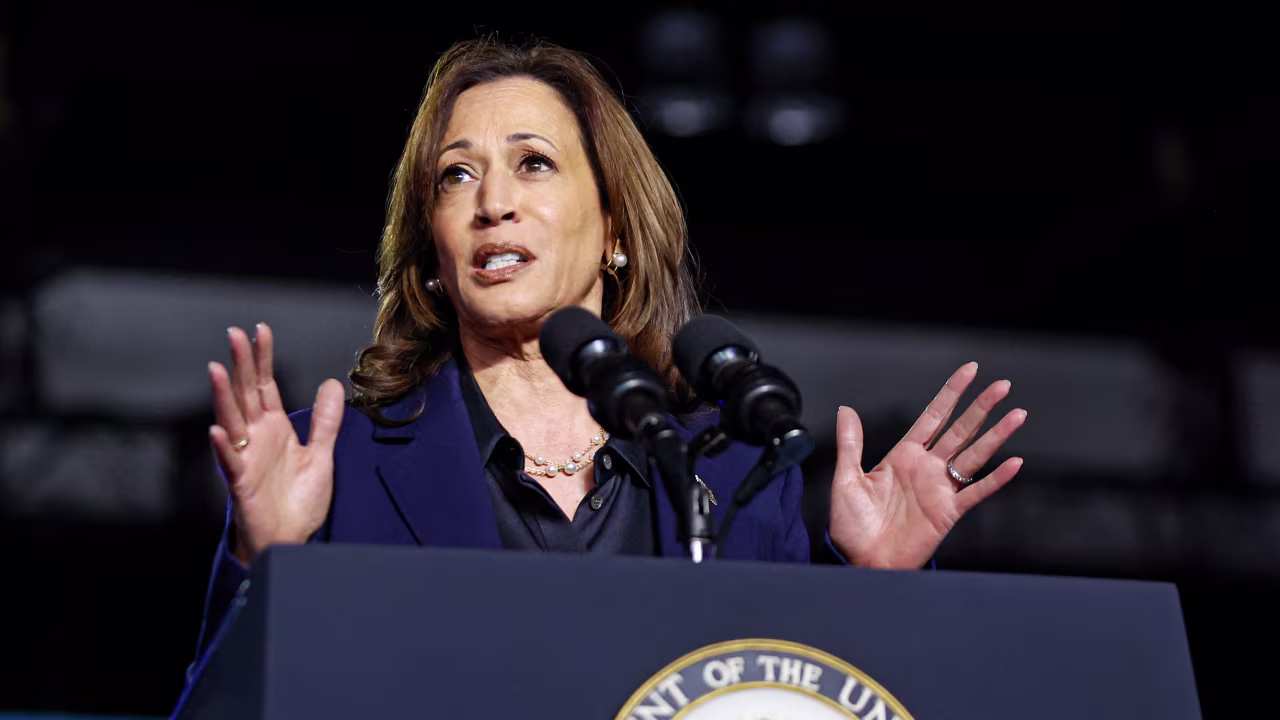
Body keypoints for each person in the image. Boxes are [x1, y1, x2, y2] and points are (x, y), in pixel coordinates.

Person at [194, 38, 1027, 663]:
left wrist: (870, 592)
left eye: (534, 164)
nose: (493, 203)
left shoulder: (735, 477)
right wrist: (258, 566)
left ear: (615, 230)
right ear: (434, 253)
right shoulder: (337, 467)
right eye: (455, 176)